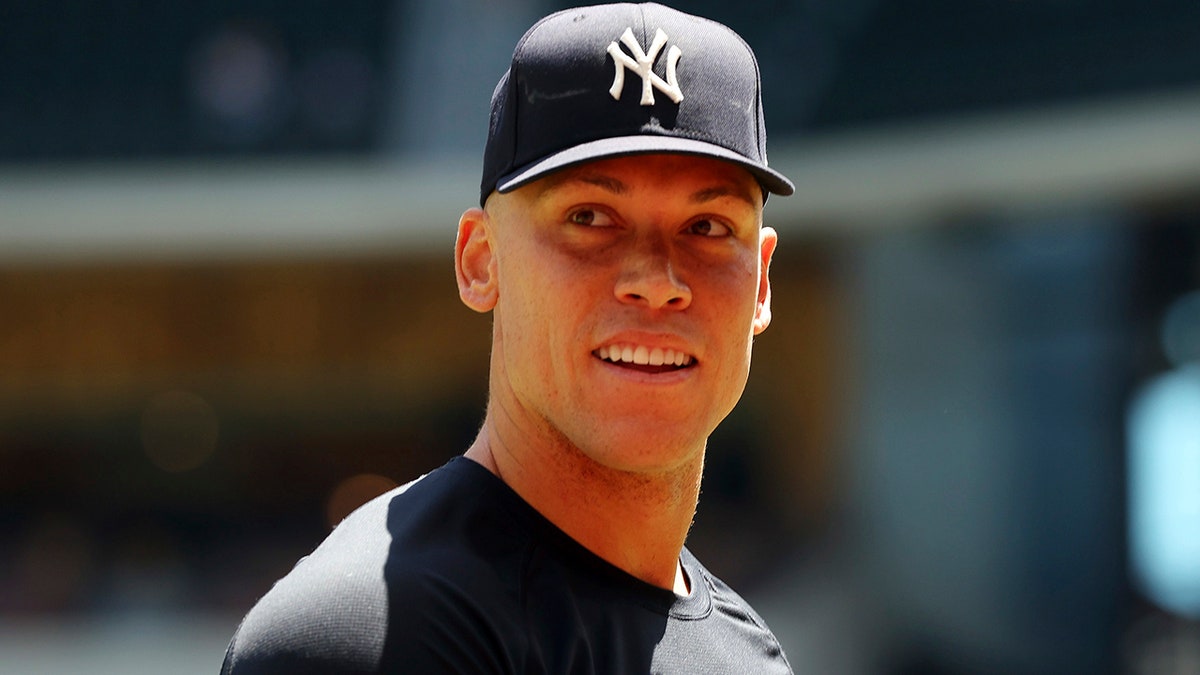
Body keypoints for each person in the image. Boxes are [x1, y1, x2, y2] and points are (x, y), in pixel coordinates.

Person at [221, 3, 795, 672]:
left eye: (708, 226)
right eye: (591, 216)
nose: (657, 279)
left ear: (760, 283)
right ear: (479, 260)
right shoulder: (368, 633)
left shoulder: (746, 649)